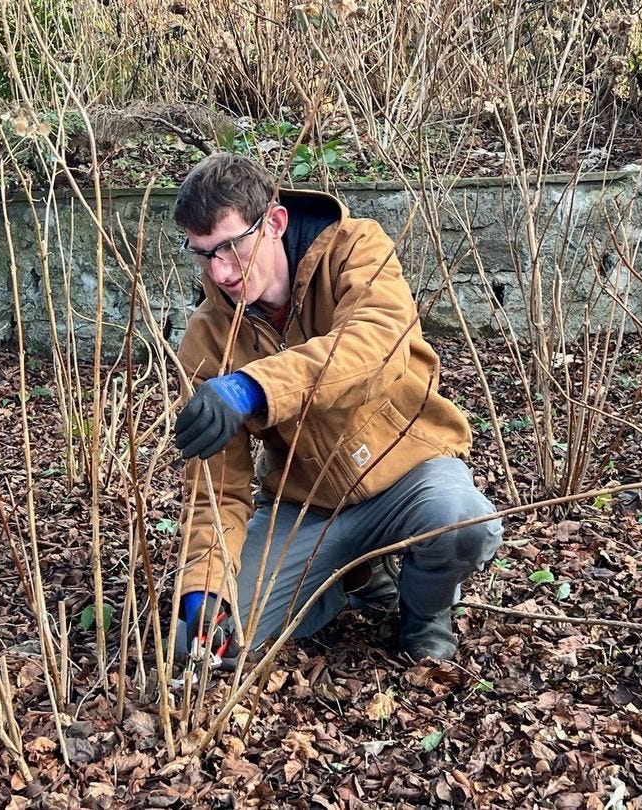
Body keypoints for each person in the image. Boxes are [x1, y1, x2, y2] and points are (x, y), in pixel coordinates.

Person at [171, 153, 501, 669]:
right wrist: (205, 586)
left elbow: (374, 346)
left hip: (408, 474)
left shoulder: (357, 249)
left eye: (232, 247)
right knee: (216, 636)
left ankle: (425, 612)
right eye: (204, 254)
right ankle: (356, 579)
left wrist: (255, 387)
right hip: (309, 508)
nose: (221, 272)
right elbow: (218, 487)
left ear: (274, 222)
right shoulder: (208, 336)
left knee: (461, 523)